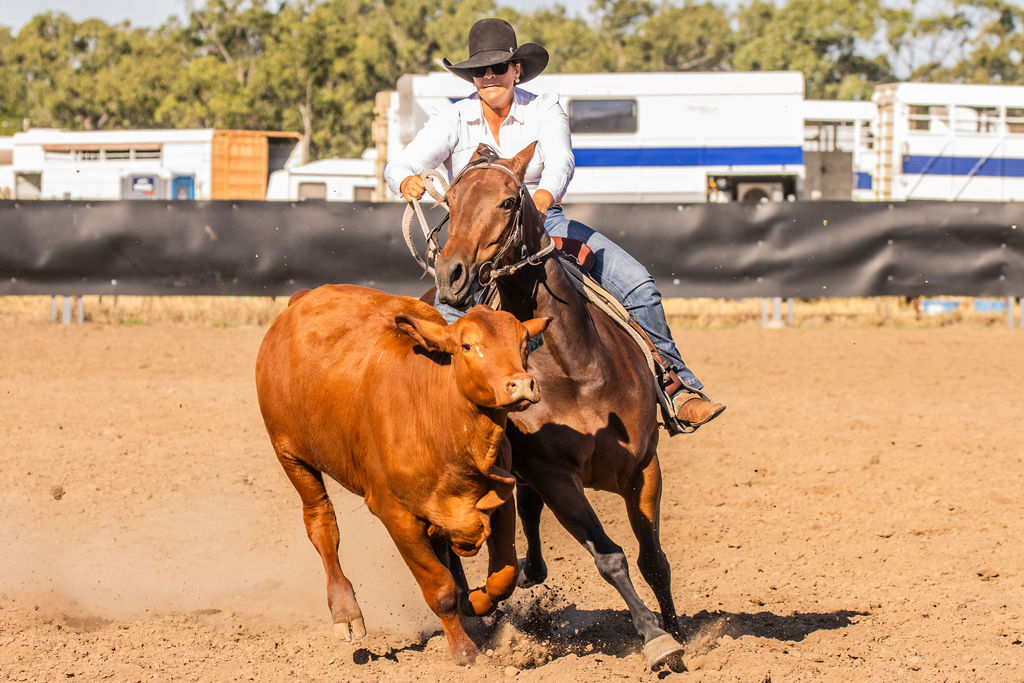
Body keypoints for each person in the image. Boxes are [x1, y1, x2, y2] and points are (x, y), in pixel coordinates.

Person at [384, 18, 725, 434]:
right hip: (478, 236)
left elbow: (561, 159)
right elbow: (399, 164)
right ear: (472, 78)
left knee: (638, 286)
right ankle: (426, 417)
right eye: (479, 70)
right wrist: (406, 180)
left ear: (516, 70)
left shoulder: (543, 107)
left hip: (544, 223)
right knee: (446, 313)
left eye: (498, 67)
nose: (489, 77)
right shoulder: (454, 118)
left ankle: (677, 388)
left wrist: (543, 197)